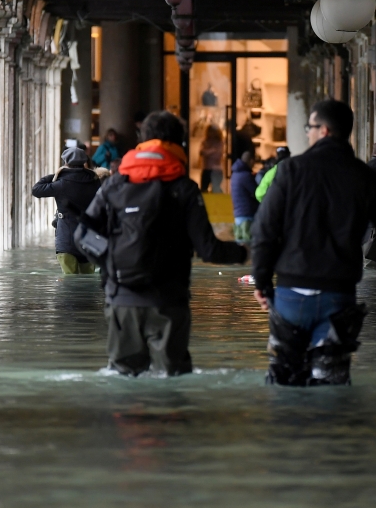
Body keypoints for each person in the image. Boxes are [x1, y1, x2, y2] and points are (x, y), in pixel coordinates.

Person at [251, 99, 376, 386]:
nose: (308, 133)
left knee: (284, 378)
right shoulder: (363, 176)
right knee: (331, 382)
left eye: (310, 127)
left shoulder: (290, 171)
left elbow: (264, 230)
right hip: (337, 294)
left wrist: (263, 283)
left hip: (291, 292)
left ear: (324, 130)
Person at [83, 110, 247, 376]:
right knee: (171, 381)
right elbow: (209, 249)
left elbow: (83, 235)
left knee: (122, 381)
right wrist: (245, 253)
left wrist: (111, 263)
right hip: (169, 302)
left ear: (142, 140)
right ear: (178, 144)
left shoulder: (114, 185)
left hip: (122, 298)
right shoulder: (185, 188)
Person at [31, 146, 102, 275]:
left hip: (67, 241)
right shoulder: (94, 182)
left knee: (69, 284)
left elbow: (36, 190)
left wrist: (58, 174)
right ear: (84, 162)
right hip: (89, 240)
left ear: (66, 163)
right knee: (88, 286)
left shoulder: (61, 184)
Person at [230, 150, 260, 244]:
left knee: (240, 244)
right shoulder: (246, 176)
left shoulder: (235, 174)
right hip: (247, 214)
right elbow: (257, 192)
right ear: (251, 161)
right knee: (248, 245)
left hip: (238, 214)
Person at [199, 125, 225, 193]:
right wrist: (213, 150)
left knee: (216, 190)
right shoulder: (204, 141)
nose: (211, 133)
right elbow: (201, 152)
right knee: (203, 190)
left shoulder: (220, 142)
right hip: (206, 169)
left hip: (216, 170)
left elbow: (218, 155)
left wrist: (208, 152)